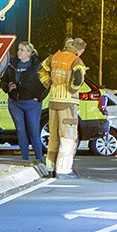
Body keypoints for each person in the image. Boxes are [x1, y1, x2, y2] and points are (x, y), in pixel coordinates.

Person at [45, 38, 87, 178]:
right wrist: (72, 89)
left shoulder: (55, 57)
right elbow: (79, 78)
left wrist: (48, 84)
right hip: (67, 103)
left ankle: (50, 167)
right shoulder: (76, 61)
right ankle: (64, 170)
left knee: (54, 135)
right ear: (80, 50)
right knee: (68, 136)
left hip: (53, 101)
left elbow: (41, 69)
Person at [3, 42, 48, 167]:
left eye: (22, 50)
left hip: (31, 103)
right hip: (15, 102)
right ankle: (25, 160)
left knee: (33, 131)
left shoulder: (37, 65)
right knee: (20, 131)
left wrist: (38, 97)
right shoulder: (12, 64)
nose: (19, 52)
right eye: (18, 49)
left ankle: (39, 159)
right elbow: (4, 81)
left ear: (29, 52)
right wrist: (7, 87)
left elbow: (46, 84)